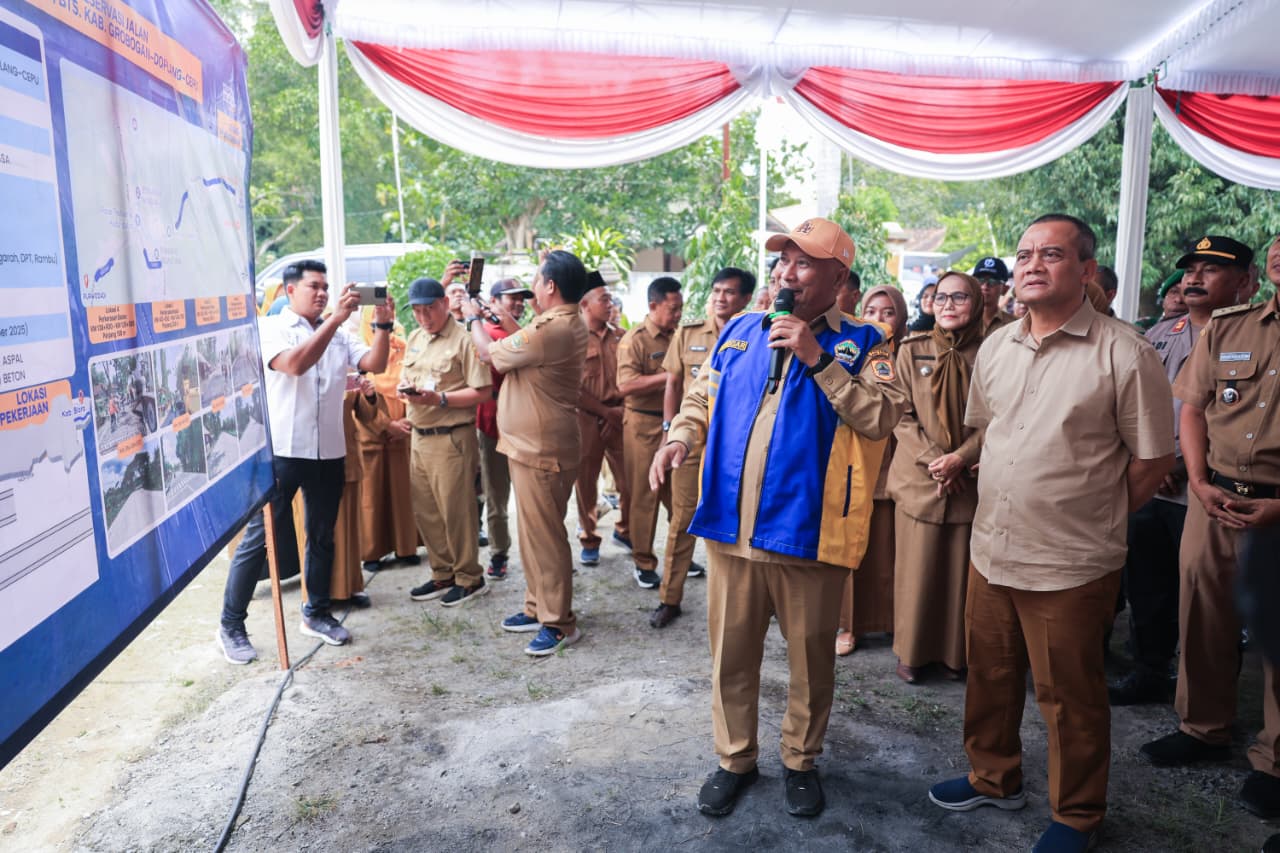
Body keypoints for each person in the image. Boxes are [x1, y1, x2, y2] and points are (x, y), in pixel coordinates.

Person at [925, 215, 1174, 853]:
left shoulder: (1126, 352)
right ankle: (993, 775)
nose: (1032, 264)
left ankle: (1078, 815)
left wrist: (1093, 516)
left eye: (1053, 254)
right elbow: (988, 430)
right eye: (1024, 252)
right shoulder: (999, 346)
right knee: (991, 673)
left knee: (1069, 697)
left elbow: (1151, 462)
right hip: (993, 545)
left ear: (1087, 270)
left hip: (1071, 561)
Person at [651, 217, 906, 819]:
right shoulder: (740, 330)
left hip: (809, 531)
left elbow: (881, 418)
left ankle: (800, 760)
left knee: (811, 662)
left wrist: (818, 358)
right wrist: (680, 439)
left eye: (803, 263)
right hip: (731, 527)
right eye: (782, 261)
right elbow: (699, 398)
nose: (786, 273)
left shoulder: (867, 343)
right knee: (730, 655)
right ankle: (734, 758)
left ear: (839, 276)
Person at [1141, 234, 1280, 821]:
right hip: (1214, 495)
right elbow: (1193, 407)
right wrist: (1198, 481)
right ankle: (1203, 727)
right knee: (1202, 612)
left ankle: (1275, 760)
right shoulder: (1229, 327)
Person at [217, 260, 394, 663]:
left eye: (326, 288)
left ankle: (316, 612)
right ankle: (230, 624)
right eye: (314, 286)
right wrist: (334, 320)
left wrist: (382, 325)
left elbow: (376, 364)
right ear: (289, 290)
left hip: (328, 449)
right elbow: (294, 365)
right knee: (261, 539)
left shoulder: (340, 333)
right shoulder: (271, 328)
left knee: (322, 536)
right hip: (284, 451)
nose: (322, 294)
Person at [1111, 237, 1250, 705]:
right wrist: (1148, 460)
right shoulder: (1159, 335)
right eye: (1191, 269)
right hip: (1152, 483)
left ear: (1245, 282)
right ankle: (1148, 672)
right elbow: (1130, 406)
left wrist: (1185, 465)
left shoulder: (1250, 336)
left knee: (1208, 601)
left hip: (1208, 489)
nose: (1194, 278)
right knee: (1147, 587)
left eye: (1210, 269)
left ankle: (1206, 700)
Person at [466, 250, 590, 656]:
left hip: (542, 447)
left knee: (547, 537)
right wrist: (503, 322)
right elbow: (528, 343)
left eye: (537, 279)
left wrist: (472, 319)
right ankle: (538, 607)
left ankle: (559, 623)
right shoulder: (554, 323)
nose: (532, 286)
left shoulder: (554, 328)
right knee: (533, 534)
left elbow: (489, 354)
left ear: (550, 286)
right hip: (531, 444)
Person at [886, 272, 985, 683]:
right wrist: (938, 462)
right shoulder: (913, 350)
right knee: (916, 571)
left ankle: (954, 655)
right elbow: (900, 414)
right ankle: (911, 653)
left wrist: (961, 458)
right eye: (940, 298)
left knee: (961, 576)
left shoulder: (994, 351)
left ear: (976, 303)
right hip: (920, 479)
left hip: (972, 478)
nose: (947, 305)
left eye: (959, 297)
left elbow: (1002, 416)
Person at [650, 266, 755, 628]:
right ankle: (670, 597)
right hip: (692, 442)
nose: (720, 298)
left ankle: (746, 603)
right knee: (682, 520)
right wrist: (669, 430)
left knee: (739, 521)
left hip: (736, 447)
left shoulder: (759, 334)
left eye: (729, 292)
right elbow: (673, 383)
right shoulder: (690, 332)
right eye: (717, 291)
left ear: (745, 299)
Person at [398, 277, 493, 607]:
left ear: (443, 304)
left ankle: (469, 577)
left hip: (451, 436)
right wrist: (408, 390)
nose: (424, 318)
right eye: (418, 312)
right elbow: (408, 375)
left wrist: (438, 398)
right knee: (427, 512)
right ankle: (442, 572)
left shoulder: (464, 340)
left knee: (456, 511)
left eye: (429, 310)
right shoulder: (415, 337)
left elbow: (482, 391)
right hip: (420, 436)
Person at [835, 283, 908, 656]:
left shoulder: (908, 353)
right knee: (854, 553)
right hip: (859, 464)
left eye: (888, 312)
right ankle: (850, 625)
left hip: (902, 466)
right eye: (872, 311)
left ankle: (895, 625)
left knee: (890, 553)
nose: (879, 319)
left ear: (902, 316)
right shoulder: (853, 350)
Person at [617, 277, 683, 589]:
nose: (678, 314)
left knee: (679, 494)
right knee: (645, 495)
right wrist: (668, 376)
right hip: (643, 425)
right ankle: (643, 561)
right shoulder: (635, 340)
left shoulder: (679, 336)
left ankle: (677, 555)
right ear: (653, 305)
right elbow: (626, 386)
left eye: (681, 308)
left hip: (677, 425)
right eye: (673, 309)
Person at [352, 312, 420, 573]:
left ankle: (406, 547)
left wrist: (405, 423)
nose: (386, 333)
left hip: (402, 435)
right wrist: (387, 424)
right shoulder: (361, 357)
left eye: (389, 326)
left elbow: (417, 384)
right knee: (372, 497)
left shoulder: (406, 354)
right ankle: (372, 552)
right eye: (376, 326)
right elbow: (360, 397)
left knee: (403, 495)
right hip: (371, 435)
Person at [476, 278, 533, 580]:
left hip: (522, 424)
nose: (519, 304)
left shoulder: (521, 334)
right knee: (497, 496)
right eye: (512, 299)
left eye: (522, 299)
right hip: (494, 424)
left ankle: (521, 552)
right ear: (494, 301)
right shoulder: (487, 334)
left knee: (520, 496)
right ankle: (499, 552)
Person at [575, 278, 630, 567]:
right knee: (586, 482)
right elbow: (571, 388)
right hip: (585, 418)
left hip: (619, 415)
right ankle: (589, 537)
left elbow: (630, 378)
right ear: (584, 305)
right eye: (603, 300)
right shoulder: (572, 340)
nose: (610, 305)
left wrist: (617, 411)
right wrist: (604, 413)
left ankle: (625, 530)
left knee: (629, 478)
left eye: (610, 300)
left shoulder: (622, 337)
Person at [971, 256, 1011, 335]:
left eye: (993, 281)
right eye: (980, 280)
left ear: (1005, 289)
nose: (985, 286)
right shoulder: (961, 321)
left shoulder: (1014, 325)